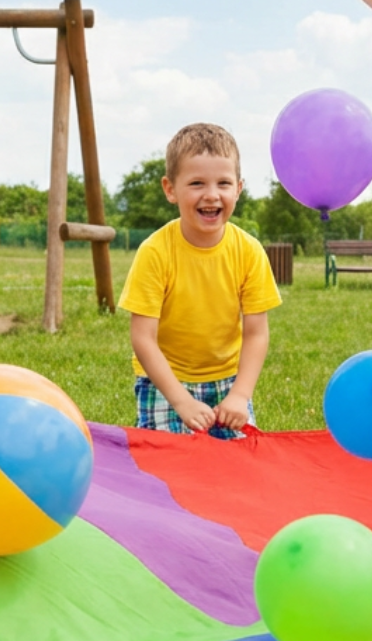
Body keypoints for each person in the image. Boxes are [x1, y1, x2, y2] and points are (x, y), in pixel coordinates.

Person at [119, 123, 281, 439]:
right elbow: (142, 338)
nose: (211, 195)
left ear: (238, 188)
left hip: (227, 381)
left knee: (238, 467)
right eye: (196, 183)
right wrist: (181, 401)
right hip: (165, 381)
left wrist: (239, 395)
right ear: (170, 189)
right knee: (168, 466)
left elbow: (257, 333)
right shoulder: (155, 251)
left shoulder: (249, 251)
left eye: (223, 183)